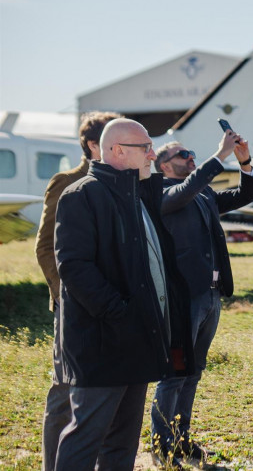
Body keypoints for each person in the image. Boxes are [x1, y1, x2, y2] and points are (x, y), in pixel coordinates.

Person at [53, 118, 193, 470]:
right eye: (143, 148)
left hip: (137, 342)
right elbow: (74, 268)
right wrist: (120, 313)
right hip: (103, 346)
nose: (151, 154)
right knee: (87, 437)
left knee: (122, 444)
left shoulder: (138, 195)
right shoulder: (81, 194)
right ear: (116, 150)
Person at [149, 133, 253, 465]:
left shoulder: (204, 194)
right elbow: (185, 191)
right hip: (183, 299)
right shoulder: (162, 192)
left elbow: (246, 193)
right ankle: (162, 445)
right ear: (165, 164)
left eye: (192, 153)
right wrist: (219, 155)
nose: (191, 157)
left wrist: (243, 162)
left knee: (193, 370)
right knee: (174, 374)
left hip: (210, 296)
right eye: (184, 154)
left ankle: (182, 440)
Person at [33, 110, 121, 471]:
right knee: (65, 393)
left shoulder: (122, 182)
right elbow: (46, 248)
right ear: (92, 145)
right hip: (74, 306)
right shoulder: (67, 182)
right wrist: (64, 297)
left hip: (109, 305)